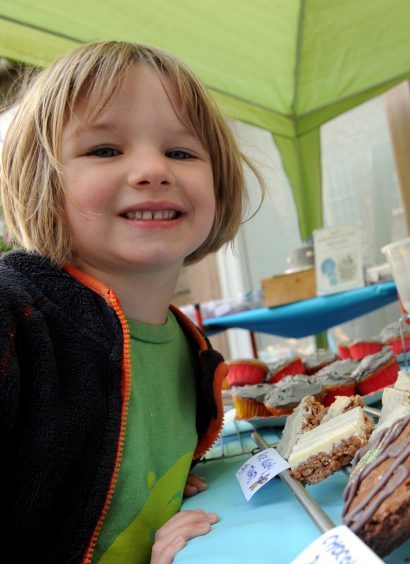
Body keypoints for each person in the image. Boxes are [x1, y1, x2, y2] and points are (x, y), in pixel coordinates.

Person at [0, 41, 260, 563]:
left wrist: (147, 504)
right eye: (104, 150)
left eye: (181, 152)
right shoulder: (15, 320)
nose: (151, 170)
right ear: (40, 180)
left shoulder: (190, 348)